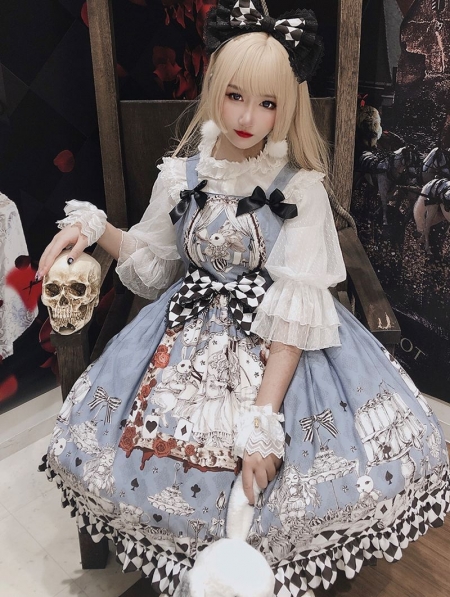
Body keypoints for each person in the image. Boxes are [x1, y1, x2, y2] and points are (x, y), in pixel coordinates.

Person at [38, 1, 449, 595]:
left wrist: (263, 420)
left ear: (287, 107)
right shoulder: (180, 176)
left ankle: (243, 568)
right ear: (215, 92)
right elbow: (154, 261)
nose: (248, 117)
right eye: (235, 96)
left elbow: (296, 312)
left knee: (269, 468)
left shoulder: (300, 188)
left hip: (273, 342)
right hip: (182, 330)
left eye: (268, 103)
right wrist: (95, 226)